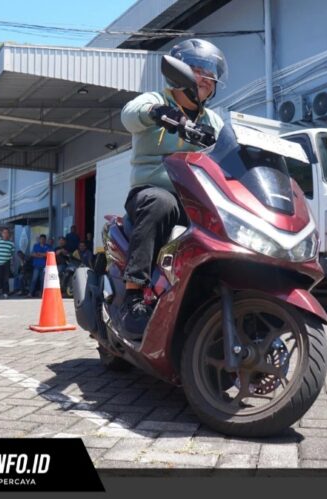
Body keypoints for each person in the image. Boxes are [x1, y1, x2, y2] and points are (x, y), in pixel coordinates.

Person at [119, 38, 227, 336]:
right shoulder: (156, 99)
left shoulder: (214, 121)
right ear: (179, 73)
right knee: (161, 203)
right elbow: (129, 115)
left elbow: (231, 152)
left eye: (210, 72)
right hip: (151, 192)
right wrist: (156, 113)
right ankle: (133, 297)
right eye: (197, 69)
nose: (205, 77)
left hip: (197, 200)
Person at [0, 228, 15, 298]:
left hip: (6, 263)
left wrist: (9, 260)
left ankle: (5, 292)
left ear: (9, 234)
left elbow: (12, 253)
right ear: (2, 234)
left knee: (6, 278)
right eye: (4, 233)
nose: (5, 234)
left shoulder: (11, 243)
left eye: (7, 233)